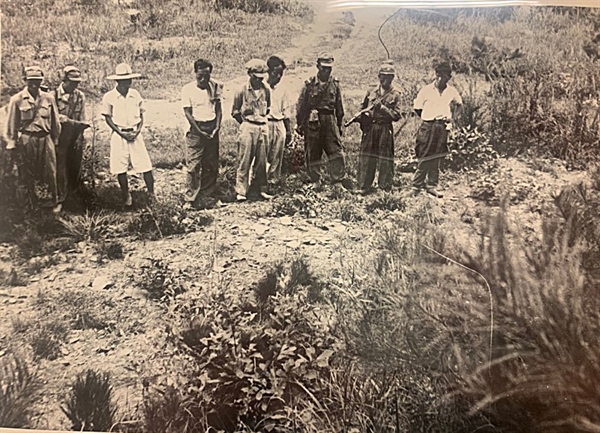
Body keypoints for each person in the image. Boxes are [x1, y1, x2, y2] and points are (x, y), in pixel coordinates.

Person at [5, 65, 62, 212]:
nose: (34, 84)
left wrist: (55, 140)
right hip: (27, 139)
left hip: (45, 138)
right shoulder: (16, 100)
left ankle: (51, 203)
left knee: (50, 171)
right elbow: (12, 124)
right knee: (26, 173)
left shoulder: (48, 98)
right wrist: (12, 143)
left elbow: (55, 122)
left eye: (37, 80)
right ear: (25, 80)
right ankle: (29, 205)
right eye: (31, 80)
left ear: (42, 80)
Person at [101, 63, 154, 206]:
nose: (127, 84)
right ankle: (126, 196)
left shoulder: (135, 94)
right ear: (117, 81)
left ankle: (151, 194)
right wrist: (119, 132)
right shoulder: (109, 96)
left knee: (145, 165)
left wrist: (138, 130)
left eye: (129, 80)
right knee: (120, 167)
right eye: (123, 81)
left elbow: (142, 115)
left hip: (135, 133)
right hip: (119, 134)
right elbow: (107, 117)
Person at [296, 52, 347, 191]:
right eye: (324, 67)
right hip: (313, 121)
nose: (326, 71)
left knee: (335, 150)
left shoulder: (335, 84)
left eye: (329, 68)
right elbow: (301, 105)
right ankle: (315, 180)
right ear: (317, 66)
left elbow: (339, 106)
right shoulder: (309, 84)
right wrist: (301, 124)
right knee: (313, 151)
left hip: (330, 120)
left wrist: (339, 124)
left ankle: (337, 181)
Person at [412, 61, 462, 198]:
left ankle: (431, 185)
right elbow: (417, 107)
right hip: (428, 126)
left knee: (437, 155)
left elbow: (459, 104)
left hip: (442, 127)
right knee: (424, 154)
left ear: (449, 78)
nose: (440, 79)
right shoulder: (426, 90)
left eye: (444, 77)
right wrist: (427, 118)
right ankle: (416, 186)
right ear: (436, 75)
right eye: (438, 76)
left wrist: (452, 119)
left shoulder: (451, 91)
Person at [354, 62, 403, 194]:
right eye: (383, 77)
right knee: (367, 157)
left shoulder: (396, 94)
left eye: (389, 77)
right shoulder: (371, 91)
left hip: (385, 128)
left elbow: (397, 115)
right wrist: (360, 115)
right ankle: (364, 186)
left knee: (385, 158)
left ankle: (384, 188)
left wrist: (383, 108)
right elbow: (363, 106)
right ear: (379, 77)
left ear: (393, 78)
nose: (386, 80)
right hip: (370, 127)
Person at [181, 58, 222, 209]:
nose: (204, 79)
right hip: (196, 129)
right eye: (200, 76)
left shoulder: (214, 87)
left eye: (207, 76)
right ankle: (190, 198)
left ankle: (207, 195)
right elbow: (188, 113)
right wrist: (199, 131)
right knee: (193, 164)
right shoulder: (188, 89)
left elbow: (218, 108)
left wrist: (217, 126)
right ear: (195, 73)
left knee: (211, 163)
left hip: (211, 127)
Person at [231, 58, 272, 202]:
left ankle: (261, 188)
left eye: (262, 77)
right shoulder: (241, 89)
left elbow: (267, 109)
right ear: (250, 74)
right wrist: (245, 124)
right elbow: (235, 111)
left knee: (262, 160)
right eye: (256, 77)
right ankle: (241, 191)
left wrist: (260, 121)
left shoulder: (266, 89)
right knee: (244, 159)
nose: (259, 81)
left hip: (262, 125)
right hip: (248, 126)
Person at [54, 65, 90, 212]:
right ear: (64, 80)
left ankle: (73, 199)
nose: (75, 85)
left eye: (77, 82)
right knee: (60, 169)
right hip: (59, 139)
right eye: (72, 82)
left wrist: (72, 125)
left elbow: (84, 122)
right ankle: (60, 200)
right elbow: (53, 122)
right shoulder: (53, 96)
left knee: (75, 168)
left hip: (75, 137)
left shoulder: (79, 96)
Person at [265, 55, 292, 194]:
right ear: (269, 72)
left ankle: (273, 182)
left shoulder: (283, 90)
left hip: (279, 123)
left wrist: (288, 131)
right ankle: (260, 183)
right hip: (265, 123)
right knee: (263, 154)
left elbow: (286, 111)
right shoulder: (262, 87)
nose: (279, 77)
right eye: (276, 73)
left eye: (281, 74)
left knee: (277, 154)